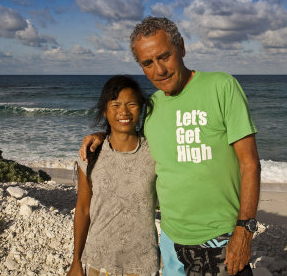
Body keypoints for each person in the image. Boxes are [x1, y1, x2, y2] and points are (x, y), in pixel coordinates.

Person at [80, 17, 261, 276]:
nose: (159, 70)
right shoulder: (152, 107)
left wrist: (245, 229)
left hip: (221, 237)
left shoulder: (222, 86)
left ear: (182, 48)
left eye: (164, 56)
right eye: (148, 63)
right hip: (171, 241)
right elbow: (134, 136)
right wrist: (102, 135)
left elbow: (250, 162)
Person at [67, 75, 160, 276]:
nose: (124, 112)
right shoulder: (92, 154)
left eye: (131, 104)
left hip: (142, 263)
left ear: (141, 108)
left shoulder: (155, 152)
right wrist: (76, 262)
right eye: (115, 105)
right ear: (105, 111)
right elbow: (83, 209)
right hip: (99, 262)